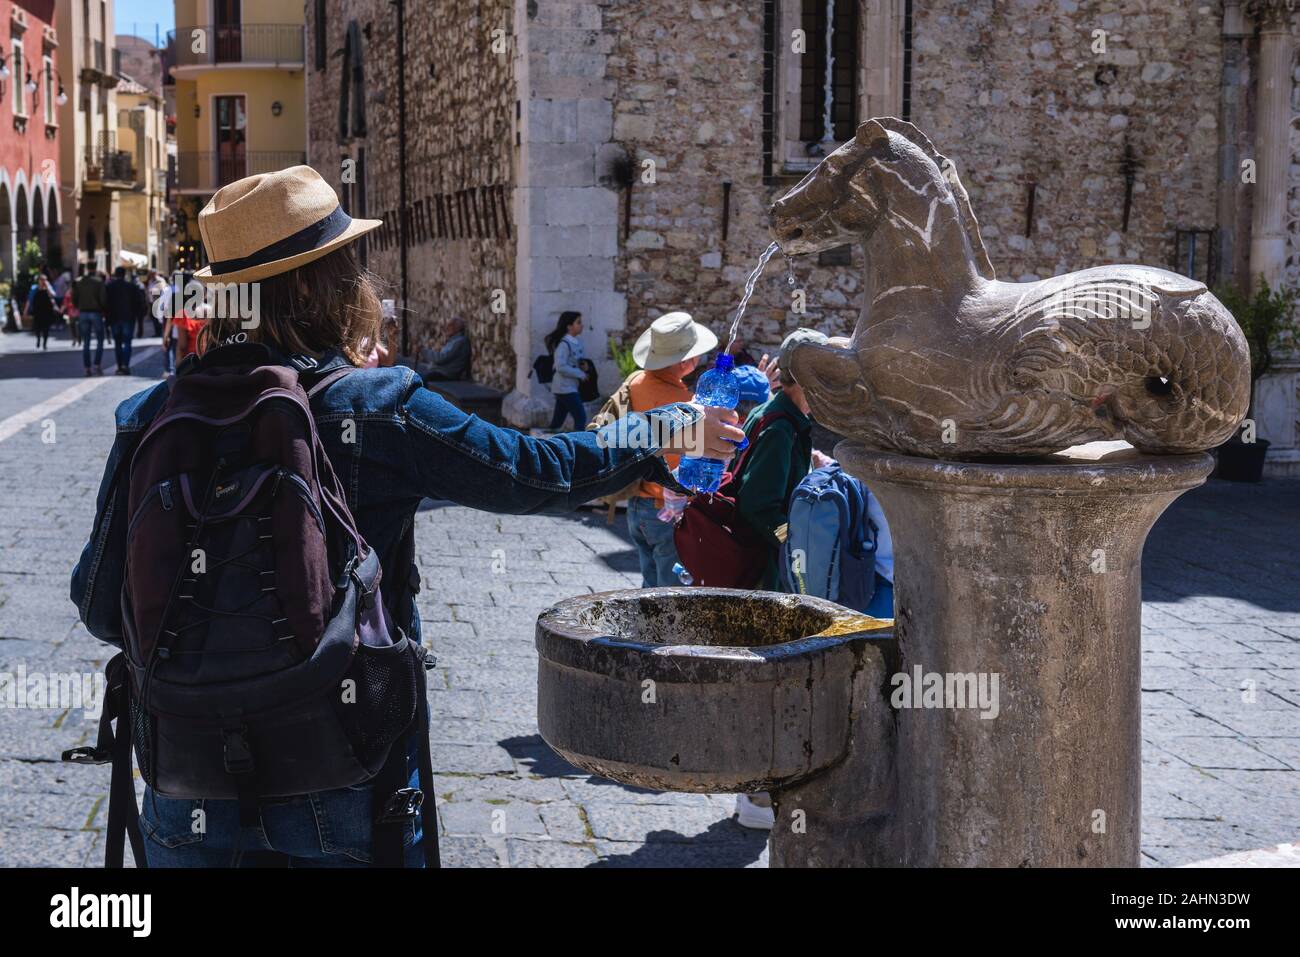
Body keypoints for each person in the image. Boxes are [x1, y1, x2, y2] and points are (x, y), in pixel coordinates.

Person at [69, 165, 743, 868]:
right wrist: (657, 432)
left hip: (186, 782)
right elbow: (531, 471)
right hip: (340, 774)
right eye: (346, 264)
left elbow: (98, 602)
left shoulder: (149, 416)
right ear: (314, 286)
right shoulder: (380, 404)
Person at [624, 312, 717, 586]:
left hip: (636, 503)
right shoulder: (685, 405)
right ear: (685, 362)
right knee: (669, 597)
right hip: (667, 511)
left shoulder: (634, 383)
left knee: (646, 589)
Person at [544, 310, 587, 429]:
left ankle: (545, 441)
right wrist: (579, 374)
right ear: (569, 327)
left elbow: (574, 361)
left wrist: (584, 366)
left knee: (557, 421)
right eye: (578, 322)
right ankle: (580, 444)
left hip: (569, 386)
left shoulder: (576, 342)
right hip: (564, 387)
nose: (581, 325)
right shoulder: (564, 344)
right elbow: (560, 366)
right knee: (580, 417)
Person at [106, 266, 146, 374]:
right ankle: (125, 365)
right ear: (124, 275)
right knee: (127, 342)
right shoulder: (131, 287)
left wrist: (107, 320)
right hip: (128, 318)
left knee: (118, 343)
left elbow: (106, 304)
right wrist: (140, 321)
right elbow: (139, 304)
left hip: (114, 319)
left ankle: (119, 366)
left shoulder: (109, 287)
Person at [73, 264, 108, 376]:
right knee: (100, 339)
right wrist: (103, 309)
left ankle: (87, 367)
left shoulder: (79, 282)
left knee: (86, 341)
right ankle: (97, 364)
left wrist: (79, 305)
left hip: (83, 312)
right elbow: (103, 299)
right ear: (96, 268)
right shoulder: (98, 282)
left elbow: (74, 298)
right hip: (96, 312)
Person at [423, 316, 471, 382]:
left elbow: (441, 358)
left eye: (450, 325)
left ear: (457, 328)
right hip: (441, 371)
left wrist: (423, 351)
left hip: (446, 374)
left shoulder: (460, 341)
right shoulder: (454, 340)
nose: (447, 327)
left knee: (421, 379)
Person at [24, 273, 60, 349]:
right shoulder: (34, 289)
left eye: (45, 280)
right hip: (37, 311)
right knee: (37, 328)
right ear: (38, 281)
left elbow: (53, 295)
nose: (43, 281)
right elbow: (29, 300)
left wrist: (47, 287)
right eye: (42, 280)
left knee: (46, 328)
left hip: (47, 311)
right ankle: (38, 339)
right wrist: (25, 311)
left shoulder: (49, 289)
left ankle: (44, 343)